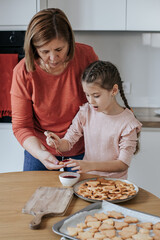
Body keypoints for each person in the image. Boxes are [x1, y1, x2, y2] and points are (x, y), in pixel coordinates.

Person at [10, 8, 98, 171]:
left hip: (82, 152)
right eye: (44, 51)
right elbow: (21, 126)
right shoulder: (23, 72)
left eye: (59, 50)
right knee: (34, 196)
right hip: (40, 152)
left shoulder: (86, 56)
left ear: (69, 42)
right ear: (34, 48)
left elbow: (100, 103)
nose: (53, 58)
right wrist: (40, 153)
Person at [45, 60, 142, 179]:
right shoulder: (86, 112)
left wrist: (89, 165)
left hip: (115, 185)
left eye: (96, 96)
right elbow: (68, 142)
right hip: (87, 181)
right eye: (87, 95)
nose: (91, 101)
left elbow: (122, 164)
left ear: (114, 90)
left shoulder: (128, 123)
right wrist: (58, 143)